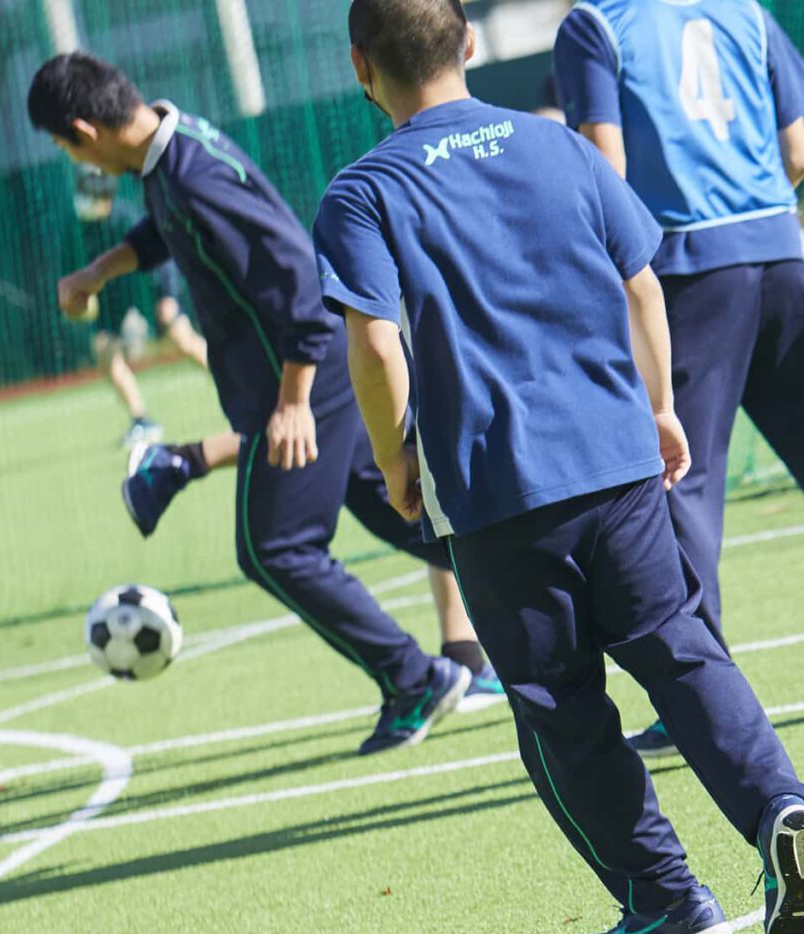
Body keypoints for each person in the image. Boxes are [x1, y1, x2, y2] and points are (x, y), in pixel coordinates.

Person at [315, 0, 804, 934]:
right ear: (467, 43)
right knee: (680, 652)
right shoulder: (556, 147)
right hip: (617, 459)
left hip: (496, 489)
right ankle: (779, 807)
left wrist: (395, 460)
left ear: (361, 68)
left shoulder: (362, 193)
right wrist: (660, 408)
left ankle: (666, 899)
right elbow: (641, 279)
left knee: (558, 709)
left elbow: (374, 345)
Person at [29, 51, 490, 754]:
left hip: (306, 376)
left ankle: (414, 678)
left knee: (274, 548)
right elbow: (163, 232)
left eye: (64, 146)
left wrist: (293, 401)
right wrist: (99, 270)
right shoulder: (169, 154)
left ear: (85, 131)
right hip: (308, 374)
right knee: (404, 514)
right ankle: (551, 603)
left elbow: (297, 284)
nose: (71, 159)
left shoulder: (193, 177)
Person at [552, 0, 804, 758]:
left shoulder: (594, 26)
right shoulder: (743, 12)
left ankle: (698, 703)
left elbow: (608, 177)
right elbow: (795, 153)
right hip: (779, 256)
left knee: (680, 485)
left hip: (689, 278)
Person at [73, 162, 211, 449]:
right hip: (115, 294)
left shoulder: (127, 218)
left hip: (149, 285)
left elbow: (163, 255)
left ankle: (238, 383)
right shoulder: (79, 227)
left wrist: (167, 298)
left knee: (181, 338)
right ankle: (142, 420)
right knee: (103, 350)